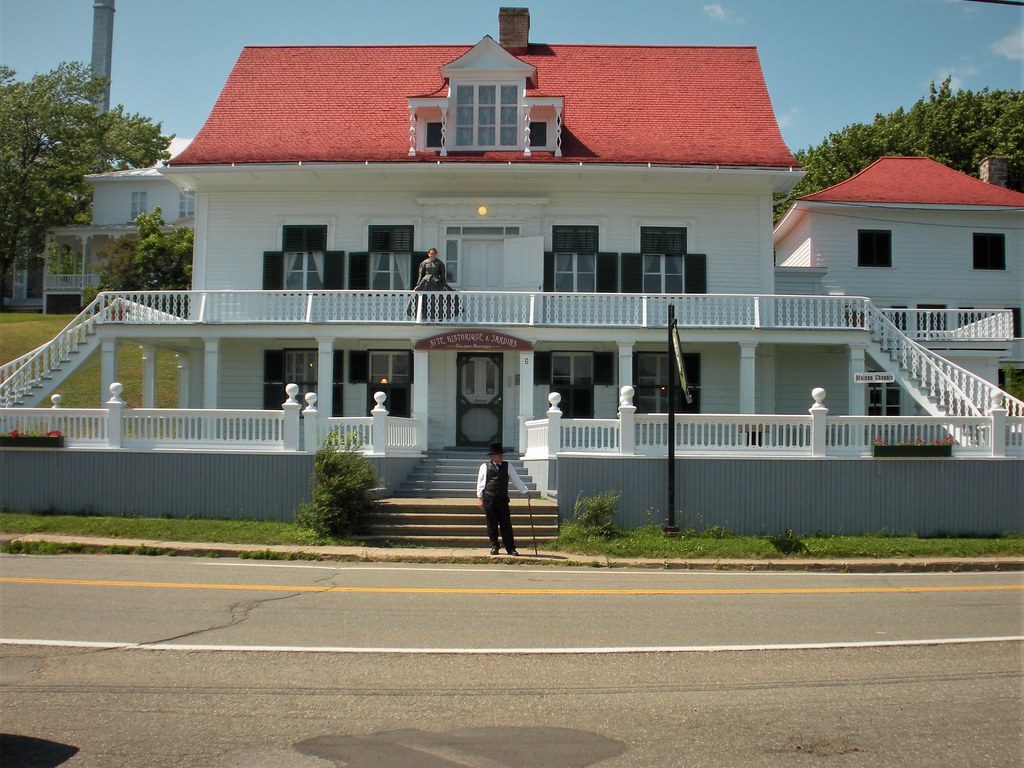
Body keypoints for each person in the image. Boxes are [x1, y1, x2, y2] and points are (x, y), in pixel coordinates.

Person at [476, 442, 531, 555]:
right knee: (492, 524)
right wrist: (479, 498)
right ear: (492, 456)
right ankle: (494, 546)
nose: (501, 457)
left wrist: (525, 491)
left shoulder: (508, 466)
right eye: (498, 455)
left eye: (501, 455)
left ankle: (510, 548)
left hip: (502, 500)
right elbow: (481, 483)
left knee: (506, 524)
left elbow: (516, 480)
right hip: (489, 499)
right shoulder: (484, 466)